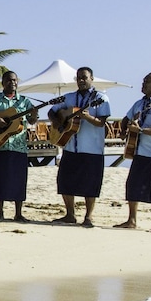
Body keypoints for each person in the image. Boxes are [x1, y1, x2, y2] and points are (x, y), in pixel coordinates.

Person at [49, 66, 112, 227]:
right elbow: (52, 111)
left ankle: (88, 217)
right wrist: (58, 122)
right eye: (78, 78)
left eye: (84, 77)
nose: (81, 81)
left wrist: (88, 117)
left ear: (92, 78)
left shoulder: (101, 98)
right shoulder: (69, 98)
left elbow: (102, 123)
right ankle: (70, 214)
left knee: (90, 184)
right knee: (64, 182)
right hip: (70, 147)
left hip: (92, 149)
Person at [0, 70, 39, 222]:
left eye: (14, 80)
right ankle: (0, 213)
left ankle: (18, 213)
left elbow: (31, 121)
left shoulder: (24, 101)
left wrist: (34, 114)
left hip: (18, 147)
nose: (12, 83)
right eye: (9, 80)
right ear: (3, 83)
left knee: (18, 180)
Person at [117, 73, 151, 232]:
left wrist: (140, 130)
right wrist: (123, 131)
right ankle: (131, 220)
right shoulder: (139, 103)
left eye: (146, 82)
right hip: (139, 150)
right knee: (133, 185)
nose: (143, 84)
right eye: (143, 81)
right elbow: (126, 119)